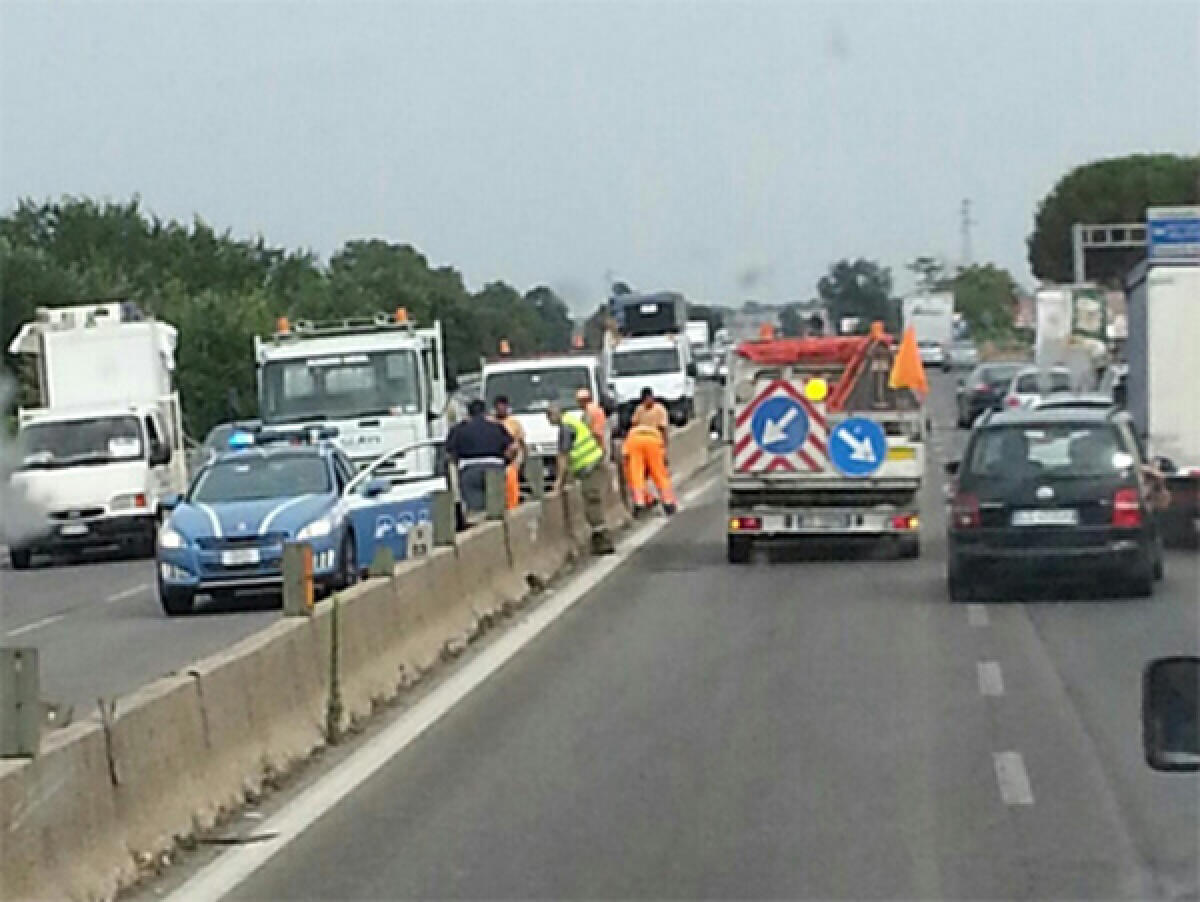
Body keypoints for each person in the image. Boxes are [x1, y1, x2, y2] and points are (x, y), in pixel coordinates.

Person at [546, 401, 614, 554]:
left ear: (555, 414)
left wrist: (559, 482)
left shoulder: (566, 428)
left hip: (590, 467)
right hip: (592, 464)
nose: (548, 420)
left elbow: (563, 457)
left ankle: (603, 540)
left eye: (549, 416)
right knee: (592, 501)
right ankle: (599, 537)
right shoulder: (572, 421)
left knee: (592, 501)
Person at [444, 398, 516, 515]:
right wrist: (507, 462)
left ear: (468, 413)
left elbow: (449, 454)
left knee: (476, 512)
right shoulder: (497, 427)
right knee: (497, 510)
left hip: (470, 470)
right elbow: (512, 447)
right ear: (485, 412)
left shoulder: (459, 429)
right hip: (495, 468)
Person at [623, 387, 676, 516]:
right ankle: (660, 503)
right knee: (655, 473)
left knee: (639, 474)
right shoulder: (656, 409)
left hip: (637, 440)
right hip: (647, 440)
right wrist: (664, 449)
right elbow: (663, 429)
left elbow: (634, 424)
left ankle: (644, 502)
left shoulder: (648, 410)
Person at [492, 394, 526, 510]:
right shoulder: (492, 422)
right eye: (498, 407)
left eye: (503, 406)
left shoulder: (514, 422)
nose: (501, 409)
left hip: (512, 459)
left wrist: (519, 461)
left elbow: (521, 443)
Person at [575, 387, 607, 453]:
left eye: (578, 401)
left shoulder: (589, 411)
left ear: (583, 401)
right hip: (600, 442)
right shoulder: (596, 408)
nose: (578, 404)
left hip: (596, 445)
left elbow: (596, 432)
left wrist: (601, 449)